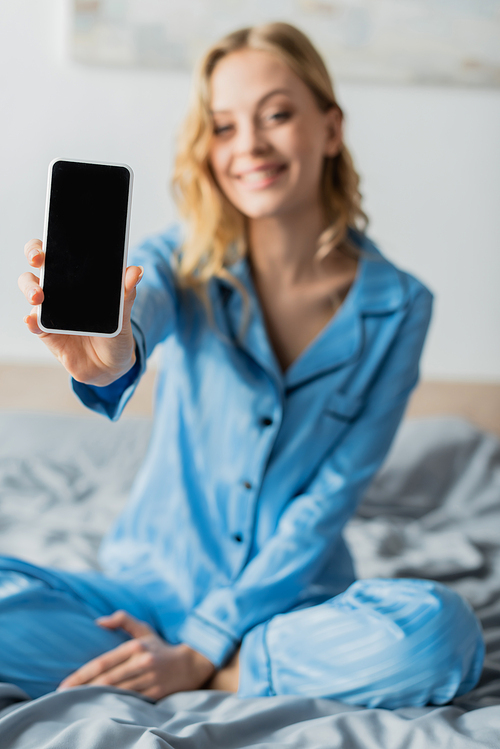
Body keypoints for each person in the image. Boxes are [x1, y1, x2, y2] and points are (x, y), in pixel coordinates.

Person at [13, 22, 483, 708]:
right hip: (141, 591)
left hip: (290, 612)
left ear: (330, 127)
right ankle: (142, 658)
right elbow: (139, 312)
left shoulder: (400, 306)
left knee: (439, 633)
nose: (249, 145)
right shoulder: (177, 257)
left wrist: (204, 655)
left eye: (278, 115)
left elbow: (327, 500)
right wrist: (111, 356)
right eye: (224, 125)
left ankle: (207, 674)